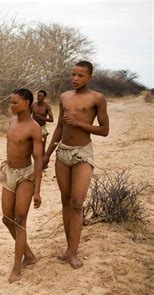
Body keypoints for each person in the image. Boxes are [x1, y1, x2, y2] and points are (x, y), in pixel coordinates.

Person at [43, 61, 109, 269]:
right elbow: (60, 127)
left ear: (90, 77)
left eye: (80, 75)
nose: (75, 78)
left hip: (82, 153)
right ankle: (68, 249)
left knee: (77, 203)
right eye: (73, 74)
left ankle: (73, 252)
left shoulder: (97, 98)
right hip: (63, 152)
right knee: (65, 200)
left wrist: (80, 124)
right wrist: (47, 154)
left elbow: (105, 130)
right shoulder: (64, 97)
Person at [0, 88, 43, 283]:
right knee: (7, 219)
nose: (11, 106)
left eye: (15, 103)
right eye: (10, 103)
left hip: (26, 175)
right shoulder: (11, 122)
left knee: (19, 220)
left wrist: (37, 191)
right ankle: (29, 255)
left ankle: (17, 268)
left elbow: (38, 159)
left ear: (26, 103)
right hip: (9, 173)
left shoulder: (34, 128)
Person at [31, 90, 54, 168]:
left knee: (42, 147)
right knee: (32, 145)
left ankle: (43, 164)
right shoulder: (33, 105)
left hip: (42, 128)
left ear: (44, 97)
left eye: (41, 96)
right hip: (33, 127)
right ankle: (35, 162)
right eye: (38, 95)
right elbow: (27, 115)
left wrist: (41, 117)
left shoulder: (47, 106)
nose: (39, 97)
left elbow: (52, 119)